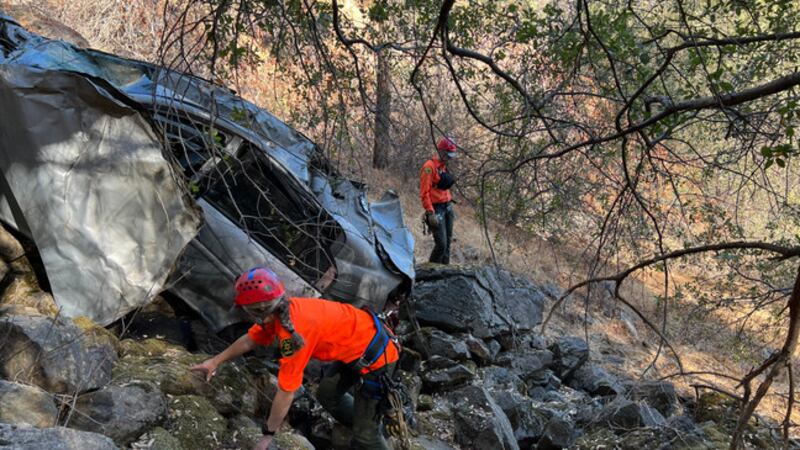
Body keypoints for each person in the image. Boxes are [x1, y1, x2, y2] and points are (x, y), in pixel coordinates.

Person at [190, 267, 399, 450]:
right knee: (327, 395)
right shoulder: (281, 312)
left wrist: (267, 435)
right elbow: (249, 340)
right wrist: (214, 362)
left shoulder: (294, 335)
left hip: (378, 358)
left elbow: (286, 392)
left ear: (260, 310)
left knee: (366, 436)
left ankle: (369, 432)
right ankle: (365, 424)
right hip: (356, 347)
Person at [420, 137, 457, 264]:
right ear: (441, 151)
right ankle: (429, 271)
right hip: (437, 209)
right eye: (448, 154)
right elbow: (424, 193)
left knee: (447, 244)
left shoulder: (443, 166)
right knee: (441, 244)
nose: (450, 158)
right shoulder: (429, 167)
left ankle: (445, 273)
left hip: (447, 206)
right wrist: (430, 213)